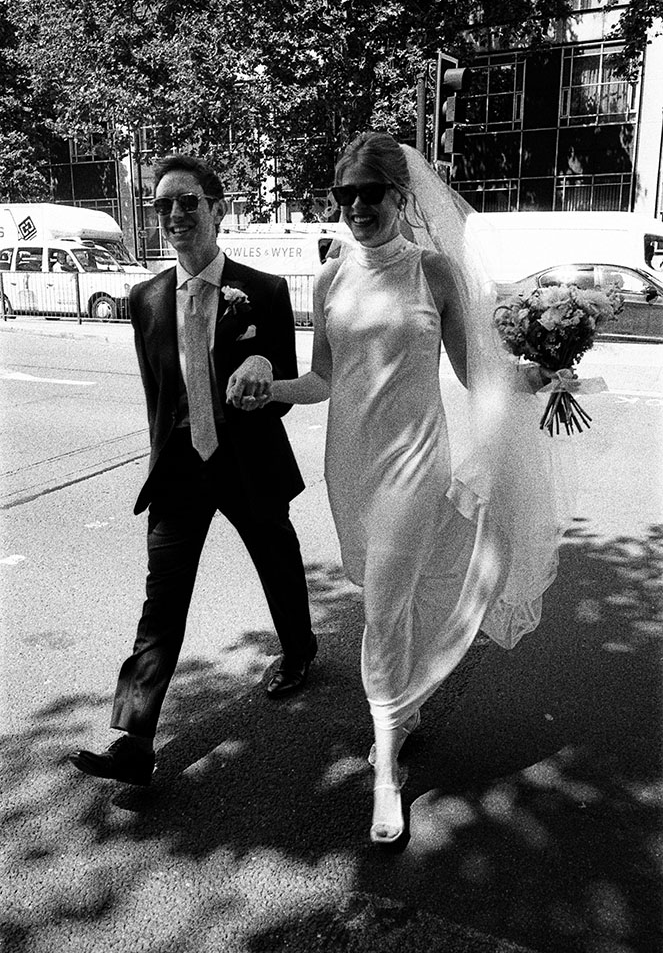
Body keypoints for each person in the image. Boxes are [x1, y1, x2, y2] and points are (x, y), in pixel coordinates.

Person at [234, 132, 568, 844]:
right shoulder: (328, 278)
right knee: (394, 595)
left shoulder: (435, 273)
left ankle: (386, 766)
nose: (356, 206)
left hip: (417, 465)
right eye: (343, 195)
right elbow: (321, 379)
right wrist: (269, 387)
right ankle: (405, 710)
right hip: (350, 464)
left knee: (384, 606)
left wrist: (531, 375)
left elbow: (474, 372)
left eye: (369, 194)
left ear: (398, 197)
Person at [69, 154, 316, 787]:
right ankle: (134, 740)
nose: (175, 215)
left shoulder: (264, 290)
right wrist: (160, 463)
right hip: (180, 470)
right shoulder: (145, 298)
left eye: (188, 203)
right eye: (163, 206)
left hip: (248, 463)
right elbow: (158, 394)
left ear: (217, 208)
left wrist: (264, 379)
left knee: (278, 562)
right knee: (162, 603)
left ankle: (299, 650)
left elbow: (288, 383)